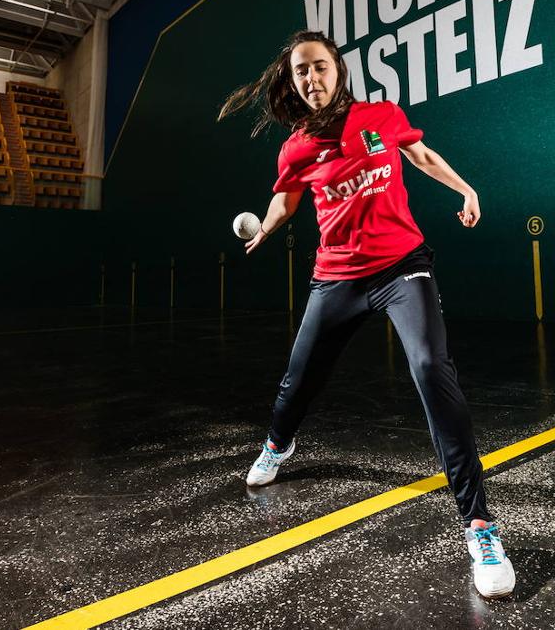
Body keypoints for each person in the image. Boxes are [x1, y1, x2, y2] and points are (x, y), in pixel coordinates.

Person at [217, 30, 515, 599]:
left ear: (339, 69)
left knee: (431, 367)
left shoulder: (379, 116)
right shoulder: (297, 147)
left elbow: (419, 154)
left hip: (403, 265)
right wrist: (269, 225)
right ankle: (279, 443)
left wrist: (465, 188)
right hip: (336, 278)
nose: (311, 78)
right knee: (298, 381)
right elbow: (287, 196)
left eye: (320, 66)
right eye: (301, 71)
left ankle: (480, 526)